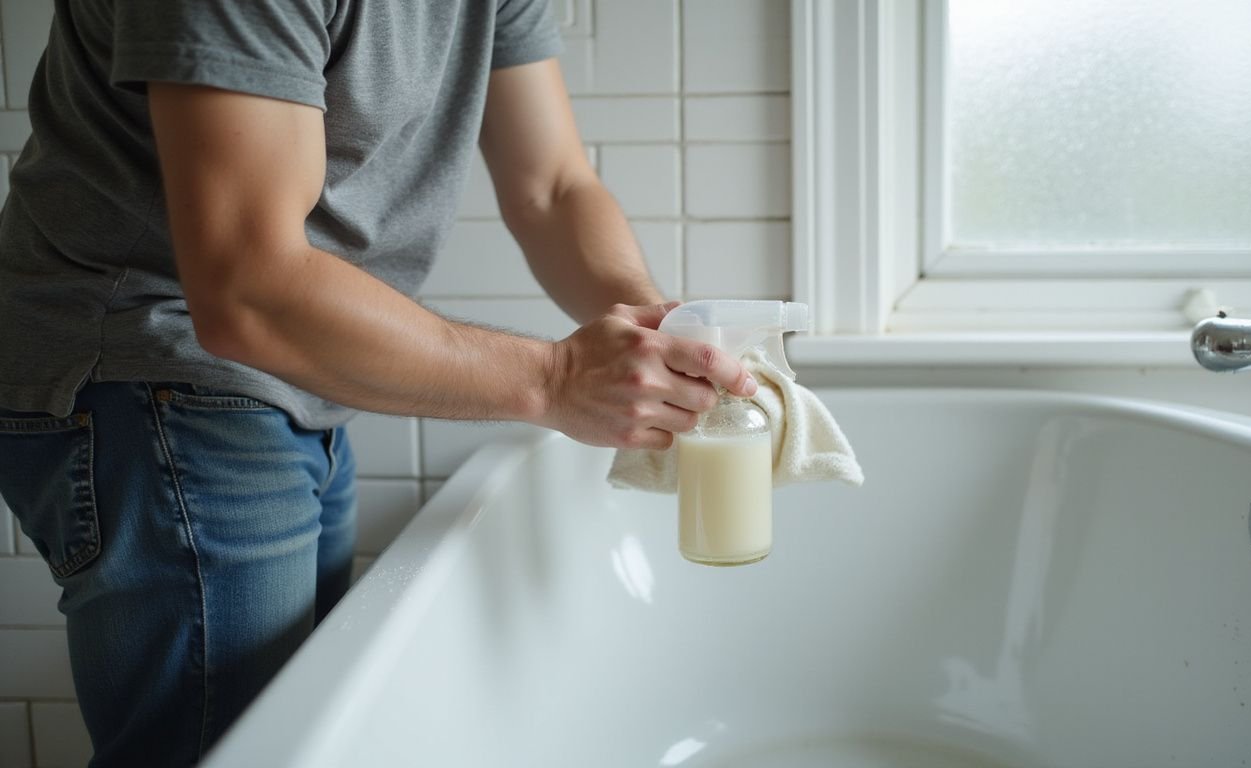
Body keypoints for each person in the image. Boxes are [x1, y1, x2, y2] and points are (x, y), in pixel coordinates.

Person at [0, 2, 754, 765]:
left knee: (296, 733)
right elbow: (246, 287)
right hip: (157, 372)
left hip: (298, 375)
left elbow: (553, 185)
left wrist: (654, 324)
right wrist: (556, 377)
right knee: (223, 750)